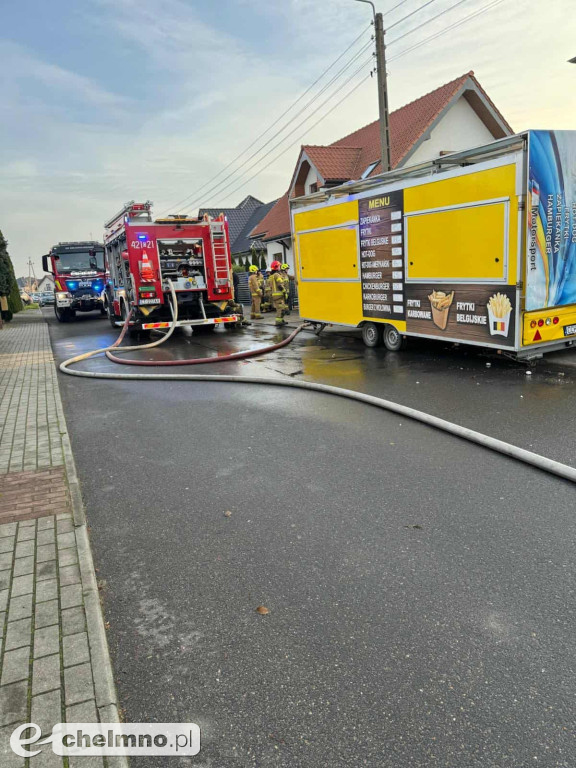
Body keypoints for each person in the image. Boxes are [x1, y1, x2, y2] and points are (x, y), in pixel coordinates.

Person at [269, 260, 287, 326]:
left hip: (275, 295)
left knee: (281, 307)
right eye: (279, 266)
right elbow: (280, 285)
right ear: (276, 267)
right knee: (280, 308)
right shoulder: (276, 275)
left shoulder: (272, 276)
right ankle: (279, 321)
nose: (280, 267)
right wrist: (284, 291)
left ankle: (281, 320)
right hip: (279, 295)